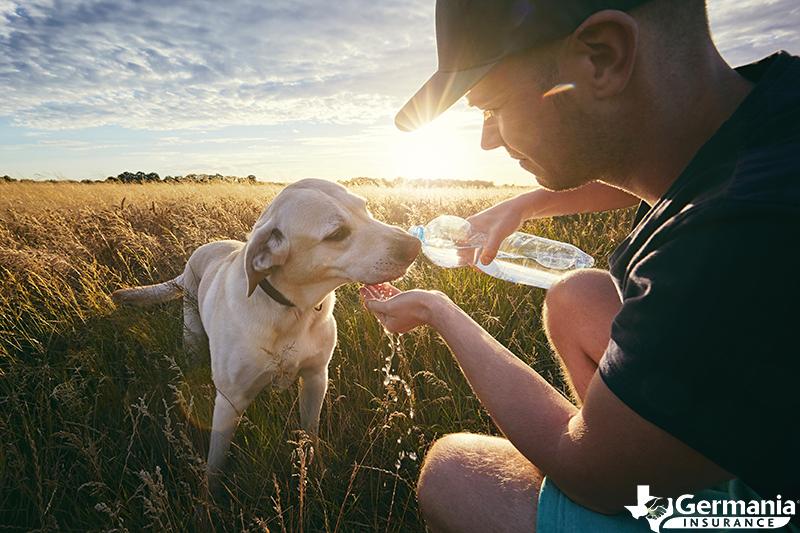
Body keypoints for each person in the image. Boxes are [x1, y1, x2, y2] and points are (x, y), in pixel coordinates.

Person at [360, 0, 800, 531]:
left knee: (453, 472)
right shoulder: (768, 111)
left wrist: (439, 312)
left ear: (602, 56)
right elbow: (657, 157)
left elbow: (594, 476)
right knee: (577, 295)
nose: (488, 138)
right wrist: (524, 204)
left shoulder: (737, 236)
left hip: (775, 509)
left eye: (492, 106)